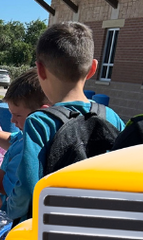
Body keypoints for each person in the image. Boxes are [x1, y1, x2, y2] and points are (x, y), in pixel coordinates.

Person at [7, 22, 126, 223]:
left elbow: (28, 185)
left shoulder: (39, 122)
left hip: (50, 230)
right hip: (100, 223)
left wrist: (9, 209)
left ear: (40, 70)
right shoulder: (111, 116)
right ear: (93, 69)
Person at [0, 69, 43, 222]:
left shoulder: (28, 152)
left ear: (41, 114)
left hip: (11, 219)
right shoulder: (29, 135)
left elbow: (5, 186)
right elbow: (14, 140)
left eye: (18, 115)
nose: (12, 121)